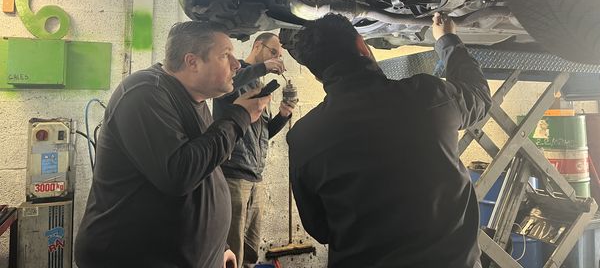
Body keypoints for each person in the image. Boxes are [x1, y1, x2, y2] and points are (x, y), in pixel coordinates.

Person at [287, 13, 492, 268]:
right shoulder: (428, 95)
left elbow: (320, 229)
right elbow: (479, 97)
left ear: (317, 75)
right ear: (362, 46)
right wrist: (447, 39)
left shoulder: (303, 136)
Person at [75, 22, 271, 268]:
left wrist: (221, 246)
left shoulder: (194, 101)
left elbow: (205, 168)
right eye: (225, 55)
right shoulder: (144, 93)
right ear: (192, 62)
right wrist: (239, 117)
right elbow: (178, 174)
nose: (237, 64)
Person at [213, 33, 297, 267]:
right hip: (232, 175)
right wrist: (263, 67)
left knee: (250, 248)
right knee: (232, 248)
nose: (277, 59)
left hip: (255, 177)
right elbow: (227, 87)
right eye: (273, 52)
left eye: (279, 56)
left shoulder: (258, 84)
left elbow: (262, 134)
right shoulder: (234, 76)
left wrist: (282, 115)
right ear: (258, 45)